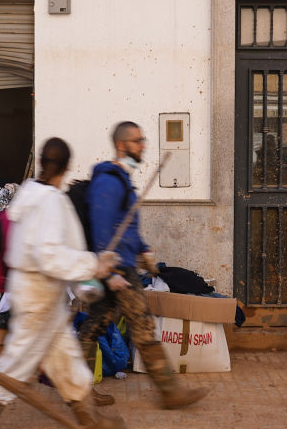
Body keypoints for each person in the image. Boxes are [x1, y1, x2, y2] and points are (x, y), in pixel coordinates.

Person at [0, 138, 125, 429]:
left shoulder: (29, 194)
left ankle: (90, 420)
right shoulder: (51, 201)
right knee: (14, 366)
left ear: (42, 161)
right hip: (38, 298)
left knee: (66, 363)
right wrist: (95, 265)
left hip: (41, 297)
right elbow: (50, 256)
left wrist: (90, 273)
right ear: (66, 167)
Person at [77, 121, 208, 409]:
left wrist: (143, 250)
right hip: (116, 269)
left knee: (95, 325)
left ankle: (78, 393)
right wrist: (110, 272)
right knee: (143, 326)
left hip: (121, 265)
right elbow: (102, 231)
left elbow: (126, 228)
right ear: (122, 145)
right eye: (137, 141)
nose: (143, 145)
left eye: (143, 139)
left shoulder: (121, 179)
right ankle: (169, 391)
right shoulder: (109, 181)